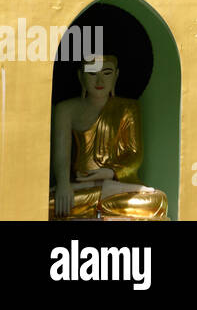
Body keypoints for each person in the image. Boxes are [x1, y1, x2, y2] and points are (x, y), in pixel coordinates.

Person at [49, 55, 168, 220]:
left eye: (106, 73)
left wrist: (109, 172)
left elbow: (134, 155)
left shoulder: (128, 108)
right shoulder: (66, 109)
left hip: (117, 186)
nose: (99, 80)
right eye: (92, 73)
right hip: (80, 187)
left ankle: (101, 202)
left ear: (116, 75)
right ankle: (104, 203)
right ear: (80, 76)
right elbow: (61, 156)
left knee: (157, 201)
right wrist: (63, 183)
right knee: (49, 204)